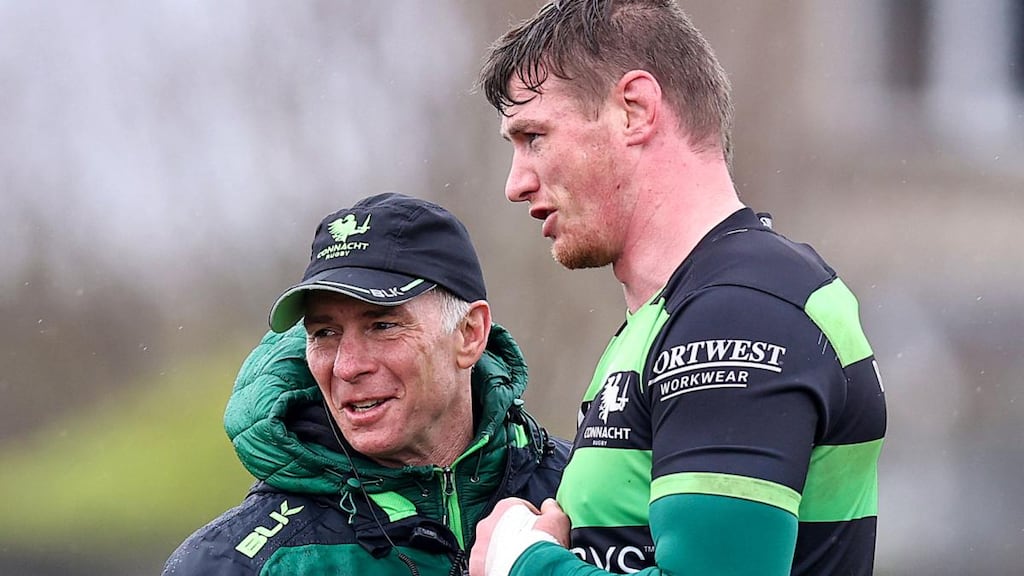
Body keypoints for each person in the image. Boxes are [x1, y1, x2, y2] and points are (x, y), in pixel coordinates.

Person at [470, 1, 888, 575]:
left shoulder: (740, 311)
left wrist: (524, 564)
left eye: (535, 136)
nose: (516, 183)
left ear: (635, 110)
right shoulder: (672, 315)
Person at [163, 192, 571, 576]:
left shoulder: (587, 488)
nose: (347, 366)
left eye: (382, 325)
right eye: (324, 332)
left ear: (469, 334)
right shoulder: (232, 562)